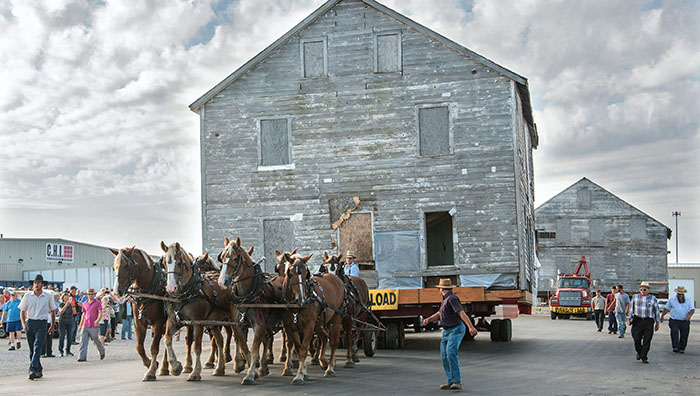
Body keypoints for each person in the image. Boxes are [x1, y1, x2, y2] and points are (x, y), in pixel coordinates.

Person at [422, 278, 478, 390]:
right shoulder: (445, 300)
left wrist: (470, 327)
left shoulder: (452, 299)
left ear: (441, 289)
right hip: (447, 331)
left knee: (451, 353)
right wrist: (429, 319)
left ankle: (457, 381)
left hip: (455, 329)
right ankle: (451, 380)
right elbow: (439, 313)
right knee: (444, 356)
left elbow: (461, 313)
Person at [18, 275, 56, 380]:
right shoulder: (27, 296)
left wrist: (52, 325)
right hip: (30, 322)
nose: (36, 285)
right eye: (35, 282)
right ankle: (38, 369)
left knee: (37, 346)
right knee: (32, 349)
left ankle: (32, 369)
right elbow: (22, 311)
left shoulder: (47, 296)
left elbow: (52, 311)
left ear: (43, 284)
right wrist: (23, 323)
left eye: (39, 283)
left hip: (42, 323)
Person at [627, 282, 660, 363]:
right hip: (637, 320)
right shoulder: (635, 297)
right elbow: (631, 308)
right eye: (641, 289)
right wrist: (629, 318)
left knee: (647, 339)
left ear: (648, 290)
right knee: (636, 339)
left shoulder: (653, 298)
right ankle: (639, 352)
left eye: (644, 289)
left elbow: (656, 310)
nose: (642, 291)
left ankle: (644, 356)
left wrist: (657, 322)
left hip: (648, 321)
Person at [660, 286, 695, 353]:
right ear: (677, 294)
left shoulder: (688, 300)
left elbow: (692, 309)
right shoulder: (672, 300)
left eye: (682, 294)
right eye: (679, 294)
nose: (680, 295)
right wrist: (662, 316)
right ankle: (675, 347)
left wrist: (689, 315)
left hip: (684, 321)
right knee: (674, 332)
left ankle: (682, 348)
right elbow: (666, 309)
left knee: (684, 335)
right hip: (674, 320)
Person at [77, 288, 105, 362]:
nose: (90, 296)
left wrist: (97, 320)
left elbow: (100, 313)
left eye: (92, 294)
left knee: (95, 339)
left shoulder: (97, 303)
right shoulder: (85, 303)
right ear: (87, 295)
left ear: (94, 295)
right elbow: (84, 314)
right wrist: (80, 324)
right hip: (85, 324)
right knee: (83, 341)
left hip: (93, 325)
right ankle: (82, 357)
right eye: (89, 294)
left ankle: (102, 350)